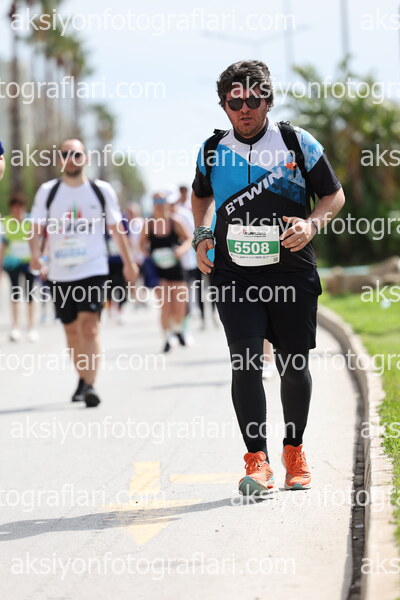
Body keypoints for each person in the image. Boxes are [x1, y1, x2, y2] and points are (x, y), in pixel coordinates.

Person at [191, 60, 345, 496]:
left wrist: (312, 224)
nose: (244, 108)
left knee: (293, 366)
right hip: (234, 275)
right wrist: (202, 234)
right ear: (224, 105)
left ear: (267, 100)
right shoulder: (212, 150)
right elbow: (201, 196)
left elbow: (333, 194)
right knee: (245, 362)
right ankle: (256, 460)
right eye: (234, 101)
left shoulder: (296, 142)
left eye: (253, 99)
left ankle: (294, 450)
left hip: (291, 272)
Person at [29, 138, 138, 407]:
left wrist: (129, 262)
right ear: (59, 160)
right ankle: (82, 377)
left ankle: (90, 385)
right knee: (71, 331)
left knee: (89, 327)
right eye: (65, 154)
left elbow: (116, 229)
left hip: (93, 269)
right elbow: (36, 227)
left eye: (76, 154)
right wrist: (35, 255)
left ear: (85, 158)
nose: (71, 159)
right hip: (60, 272)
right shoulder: (48, 191)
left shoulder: (100, 191)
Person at [140, 191, 191, 353]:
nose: (159, 205)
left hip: (176, 269)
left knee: (179, 305)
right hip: (159, 270)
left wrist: (181, 250)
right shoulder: (149, 224)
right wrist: (149, 255)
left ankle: (177, 329)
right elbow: (141, 244)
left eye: (162, 201)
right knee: (165, 306)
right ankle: (168, 337)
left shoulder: (175, 222)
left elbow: (189, 238)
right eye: (156, 202)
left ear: (167, 203)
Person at [0, 194, 38, 341]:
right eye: (14, 208)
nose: (17, 211)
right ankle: (15, 327)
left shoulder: (31, 221)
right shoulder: (6, 222)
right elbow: (3, 245)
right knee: (15, 293)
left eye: (19, 207)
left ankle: (31, 327)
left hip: (29, 263)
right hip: (12, 263)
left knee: (30, 294)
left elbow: (37, 240)